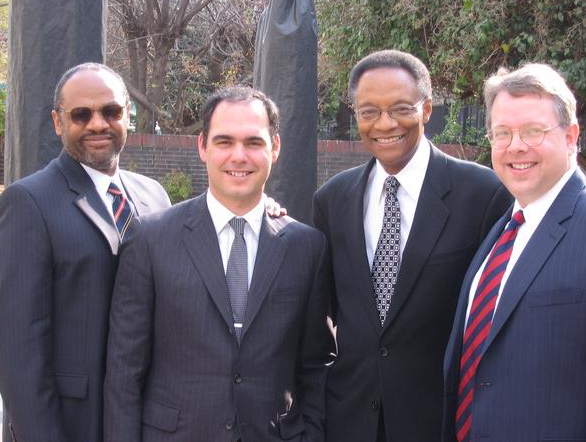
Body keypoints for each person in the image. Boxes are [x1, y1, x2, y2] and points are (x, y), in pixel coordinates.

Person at [103, 86, 335, 442]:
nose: (238, 156)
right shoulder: (150, 238)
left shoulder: (308, 247)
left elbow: (315, 366)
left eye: (253, 143)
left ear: (275, 147)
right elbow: (124, 370)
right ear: (202, 147)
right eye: (224, 142)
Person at [312, 49, 512, 441]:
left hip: (439, 421)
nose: (384, 123)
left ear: (426, 109)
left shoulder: (484, 194)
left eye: (400, 108)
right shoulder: (331, 199)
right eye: (369, 111)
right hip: (349, 421)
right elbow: (326, 310)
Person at [0, 63, 172, 442]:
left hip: (147, 419)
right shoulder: (27, 203)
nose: (97, 124)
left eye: (110, 111)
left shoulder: (155, 197)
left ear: (127, 116)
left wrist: (260, 209)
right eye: (81, 114)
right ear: (58, 122)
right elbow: (16, 349)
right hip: (71, 424)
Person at [443, 63, 586, 441]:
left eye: (533, 131)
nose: (515, 146)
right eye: (502, 133)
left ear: (571, 137)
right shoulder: (502, 230)